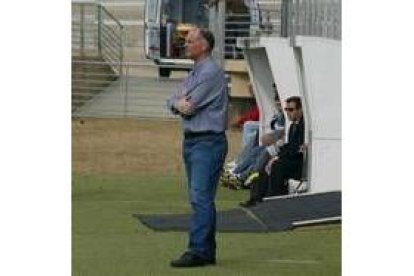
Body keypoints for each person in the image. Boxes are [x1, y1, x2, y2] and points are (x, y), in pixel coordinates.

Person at [166, 28, 228, 268]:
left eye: (190, 41)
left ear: (204, 45)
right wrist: (177, 103)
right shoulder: (196, 72)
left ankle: (198, 250)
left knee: (200, 197)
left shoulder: (210, 72)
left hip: (207, 141)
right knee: (201, 198)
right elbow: (174, 100)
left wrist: (178, 103)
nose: (186, 45)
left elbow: (188, 106)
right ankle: (206, 250)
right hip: (195, 141)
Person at [239, 96, 305, 207]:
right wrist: (276, 156)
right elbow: (290, 146)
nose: (288, 113)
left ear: (300, 110)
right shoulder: (293, 126)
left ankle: (271, 198)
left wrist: (278, 157)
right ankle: (256, 197)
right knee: (265, 164)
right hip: (289, 158)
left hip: (296, 161)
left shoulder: (302, 126)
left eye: (291, 110)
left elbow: (296, 148)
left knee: (276, 165)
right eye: (286, 110)